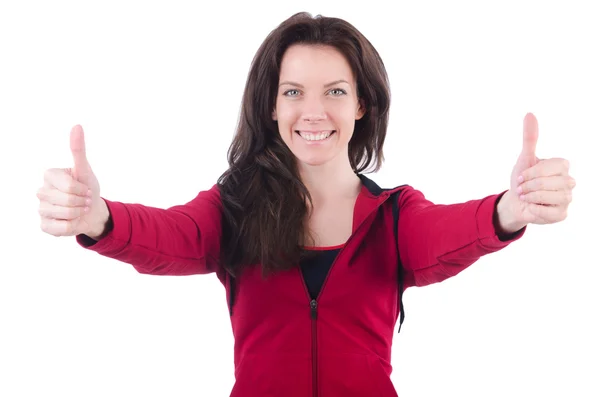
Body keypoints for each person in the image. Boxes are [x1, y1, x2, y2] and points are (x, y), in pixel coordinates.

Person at [36, 11, 575, 397]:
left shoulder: (394, 216)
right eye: (293, 91)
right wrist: (100, 219)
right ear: (271, 104)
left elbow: (448, 233)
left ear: (362, 103)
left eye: (335, 91)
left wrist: (510, 208)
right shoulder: (234, 207)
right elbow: (170, 236)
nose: (313, 111)